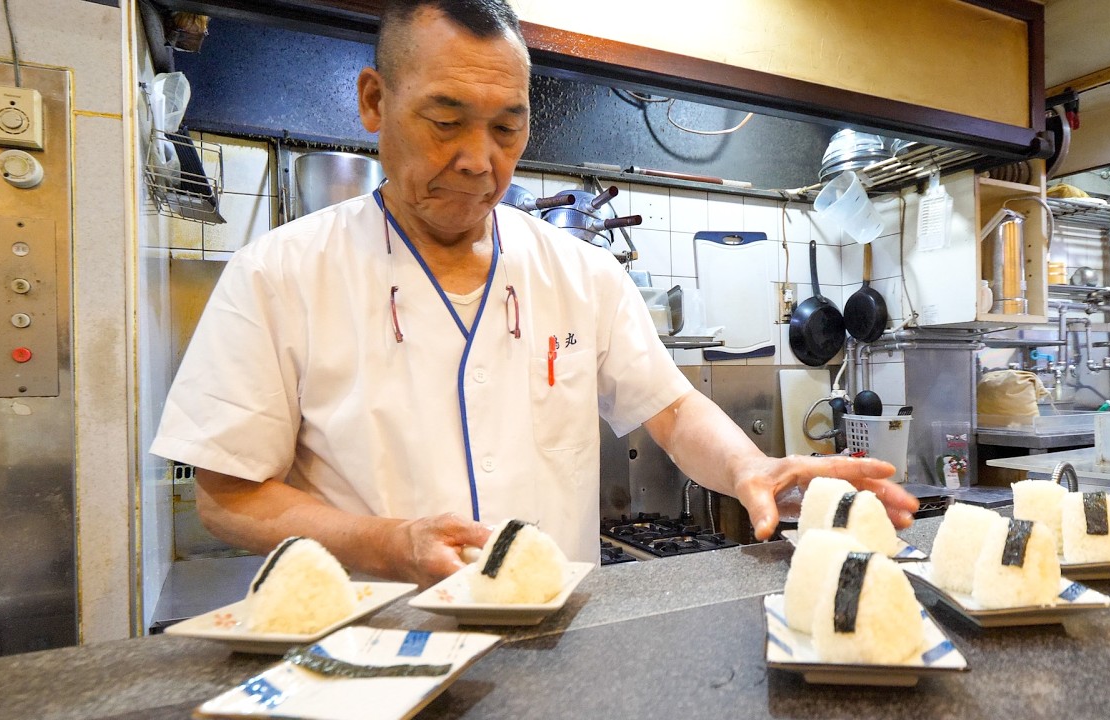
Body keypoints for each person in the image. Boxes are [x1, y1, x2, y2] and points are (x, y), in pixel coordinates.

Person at [151, 0, 918, 589]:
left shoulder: (581, 272)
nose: (478, 161)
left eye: (506, 130)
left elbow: (673, 410)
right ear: (375, 101)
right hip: (372, 651)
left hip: (556, 648)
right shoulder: (279, 274)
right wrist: (387, 542)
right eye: (445, 121)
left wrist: (750, 467)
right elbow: (226, 494)